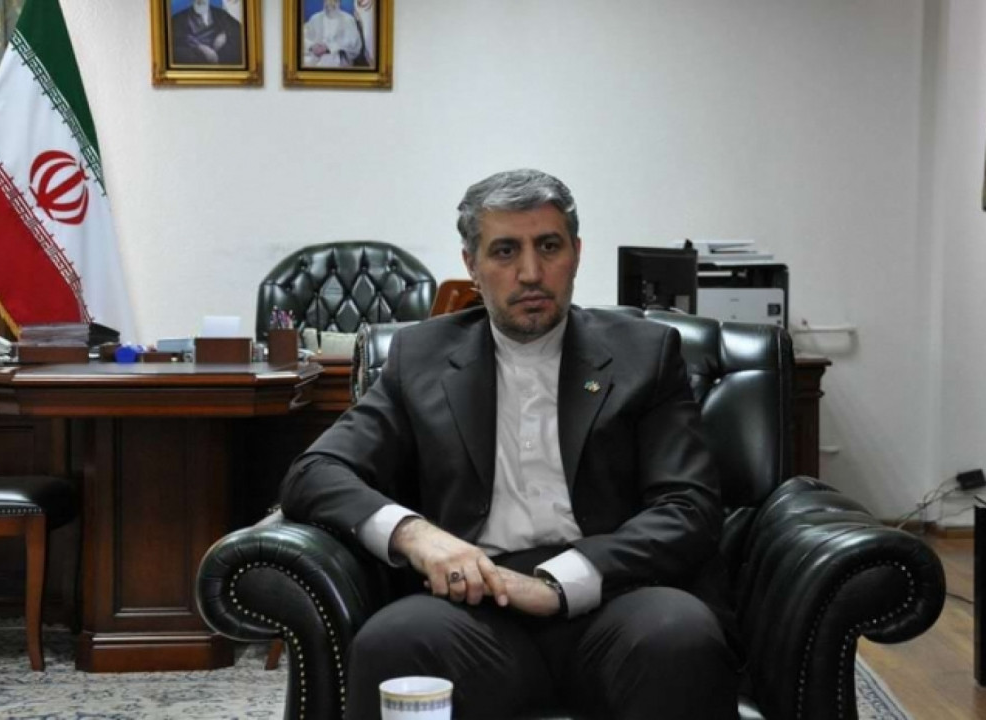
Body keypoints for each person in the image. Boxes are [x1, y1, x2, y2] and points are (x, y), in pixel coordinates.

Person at [280, 169, 739, 720]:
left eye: (549, 246)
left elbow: (688, 506)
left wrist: (559, 582)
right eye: (504, 251)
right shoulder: (421, 358)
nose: (531, 273)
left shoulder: (646, 353)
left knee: (681, 637)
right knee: (392, 643)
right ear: (472, 265)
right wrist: (417, 536)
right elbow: (315, 472)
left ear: (576, 253)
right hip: (476, 602)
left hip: (618, 593)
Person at [171, 0, 244, 66]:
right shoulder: (177, 19)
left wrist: (224, 34)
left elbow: (239, 31)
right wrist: (200, 47)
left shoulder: (221, 14)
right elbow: (175, 44)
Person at [302, 0, 365, 68]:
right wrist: (312, 46)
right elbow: (304, 38)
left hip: (337, 59)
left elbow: (353, 44)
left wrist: (328, 48)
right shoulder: (315, 18)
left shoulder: (348, 20)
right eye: (327, 1)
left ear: (339, 2)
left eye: (334, 1)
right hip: (314, 57)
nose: (330, 3)